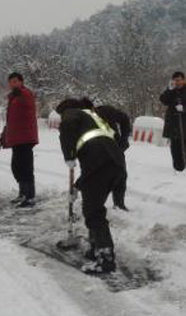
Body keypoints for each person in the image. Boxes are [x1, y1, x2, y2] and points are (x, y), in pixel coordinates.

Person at [56, 98, 126, 274]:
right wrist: (79, 185)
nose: (62, 118)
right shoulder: (94, 116)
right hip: (115, 163)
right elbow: (113, 141)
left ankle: (106, 259)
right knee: (93, 206)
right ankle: (96, 249)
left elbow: (68, 125)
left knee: (93, 212)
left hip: (99, 163)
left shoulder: (72, 113)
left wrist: (69, 155)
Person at [78, 98, 132, 211]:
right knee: (93, 175)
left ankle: (119, 204)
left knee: (121, 174)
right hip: (95, 150)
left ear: (93, 108)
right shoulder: (81, 120)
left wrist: (124, 138)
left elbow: (125, 119)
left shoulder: (107, 111)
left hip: (115, 146)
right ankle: (89, 201)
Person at [0, 72, 39, 208]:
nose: (12, 84)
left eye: (15, 81)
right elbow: (12, 120)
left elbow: (27, 100)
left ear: (21, 82)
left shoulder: (25, 94)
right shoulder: (14, 97)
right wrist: (5, 134)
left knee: (26, 168)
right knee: (16, 167)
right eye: (11, 82)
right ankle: (23, 194)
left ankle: (30, 197)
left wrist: (18, 93)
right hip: (17, 138)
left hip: (26, 138)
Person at [160, 71, 186, 174]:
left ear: (183, 80)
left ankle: (185, 168)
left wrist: (184, 108)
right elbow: (163, 100)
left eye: (178, 80)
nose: (177, 83)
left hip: (184, 124)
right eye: (175, 81)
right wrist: (169, 90)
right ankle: (177, 168)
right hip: (173, 123)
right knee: (174, 147)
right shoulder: (171, 92)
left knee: (184, 146)